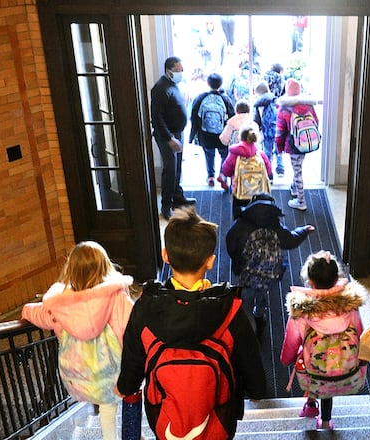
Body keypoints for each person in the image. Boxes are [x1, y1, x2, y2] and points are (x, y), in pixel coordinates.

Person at [116, 207, 266, 440]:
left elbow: (133, 354)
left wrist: (126, 386)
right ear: (210, 262)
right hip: (220, 416)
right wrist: (257, 391)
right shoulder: (229, 309)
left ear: (165, 255)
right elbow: (248, 354)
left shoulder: (146, 307)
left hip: (166, 419)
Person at [21, 241, 135, 440]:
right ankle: (133, 433)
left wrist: (26, 310)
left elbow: (42, 315)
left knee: (103, 405)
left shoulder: (60, 304)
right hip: (114, 370)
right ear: (105, 266)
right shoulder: (115, 296)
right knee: (117, 403)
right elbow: (130, 326)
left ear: (71, 270)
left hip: (82, 374)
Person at [279, 250, 366, 431]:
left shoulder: (302, 310)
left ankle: (311, 406)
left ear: (310, 282)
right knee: (328, 386)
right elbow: (359, 332)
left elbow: (292, 340)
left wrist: (287, 359)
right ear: (337, 278)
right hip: (343, 365)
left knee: (310, 366)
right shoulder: (349, 305)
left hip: (314, 366)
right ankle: (326, 422)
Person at [225, 192, 314, 328]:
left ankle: (247, 323)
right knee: (261, 294)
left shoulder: (240, 225)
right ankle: (259, 314)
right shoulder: (275, 226)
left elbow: (231, 245)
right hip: (269, 275)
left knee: (245, 297)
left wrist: (237, 262)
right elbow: (290, 240)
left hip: (246, 274)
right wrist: (304, 230)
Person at [151, 56, 196, 220]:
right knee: (170, 169)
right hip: (167, 136)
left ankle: (178, 197)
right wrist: (170, 138)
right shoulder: (160, 88)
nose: (180, 73)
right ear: (168, 71)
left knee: (177, 168)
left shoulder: (173, 85)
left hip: (177, 133)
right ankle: (166, 205)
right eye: (178, 70)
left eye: (181, 70)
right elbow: (157, 117)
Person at [275, 78, 319, 211]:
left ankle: (301, 201)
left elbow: (280, 131)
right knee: (298, 166)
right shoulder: (309, 106)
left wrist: (279, 147)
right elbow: (316, 122)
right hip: (306, 142)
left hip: (293, 144)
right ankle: (294, 189)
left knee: (297, 171)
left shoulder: (284, 109)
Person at [189, 73, 235, 187]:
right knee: (224, 154)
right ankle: (222, 174)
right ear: (221, 84)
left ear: (208, 83)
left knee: (209, 155)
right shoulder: (225, 98)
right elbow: (232, 116)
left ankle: (210, 177)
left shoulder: (201, 97)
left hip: (206, 135)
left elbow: (194, 116)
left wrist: (193, 135)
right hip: (222, 135)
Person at [220, 125, 272, 219]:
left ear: (240, 137)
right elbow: (268, 171)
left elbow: (226, 171)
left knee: (239, 217)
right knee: (257, 215)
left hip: (240, 192)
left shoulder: (234, 154)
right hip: (258, 193)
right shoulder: (261, 154)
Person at [253, 81, 285, 178]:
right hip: (279, 130)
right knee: (279, 150)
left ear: (258, 93)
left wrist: (257, 131)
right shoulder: (276, 100)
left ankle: (269, 174)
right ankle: (280, 169)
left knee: (267, 152)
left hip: (267, 132)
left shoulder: (259, 104)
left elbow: (256, 120)